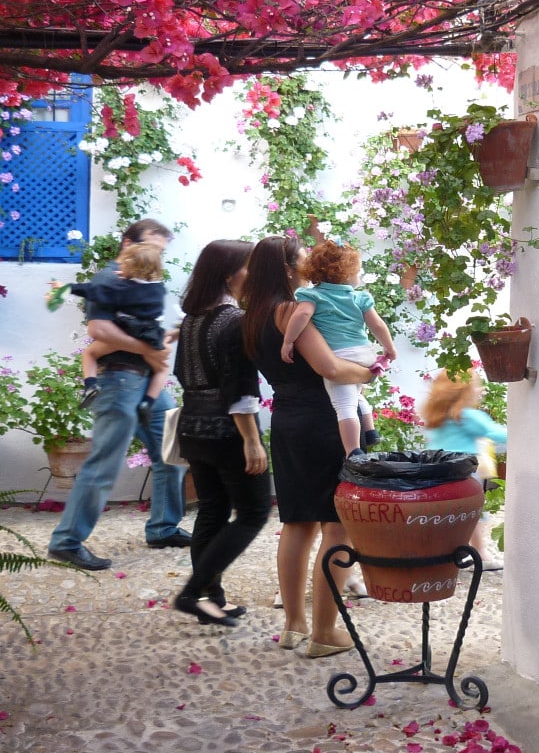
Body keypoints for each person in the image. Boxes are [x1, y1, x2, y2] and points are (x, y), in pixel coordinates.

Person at [243, 235, 375, 658]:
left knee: (297, 523)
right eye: (302, 258)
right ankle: (324, 632)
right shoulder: (291, 310)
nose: (309, 264)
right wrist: (370, 371)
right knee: (338, 525)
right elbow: (330, 366)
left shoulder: (253, 315)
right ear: (287, 268)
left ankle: (294, 626)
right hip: (325, 420)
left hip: (287, 419)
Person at [47, 219, 188, 570]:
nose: (157, 256)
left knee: (172, 448)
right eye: (152, 247)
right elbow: (98, 329)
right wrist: (147, 349)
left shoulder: (145, 280)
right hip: (119, 380)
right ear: (128, 242)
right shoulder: (111, 279)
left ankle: (163, 527)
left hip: (143, 379)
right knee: (105, 463)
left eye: (161, 250)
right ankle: (66, 542)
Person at [170, 239, 270, 627]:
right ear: (231, 275)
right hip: (228, 431)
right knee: (253, 513)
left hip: (193, 426)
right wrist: (251, 440)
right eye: (249, 267)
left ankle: (212, 600)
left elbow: (183, 374)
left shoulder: (193, 319)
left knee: (211, 510)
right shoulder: (235, 320)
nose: (254, 275)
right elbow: (241, 388)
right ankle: (193, 592)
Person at [279, 239, 398, 456]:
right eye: (358, 272)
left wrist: (288, 341)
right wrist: (389, 348)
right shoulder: (360, 297)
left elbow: (302, 315)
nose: (359, 276)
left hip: (340, 356)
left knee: (344, 406)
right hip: (364, 354)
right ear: (346, 273)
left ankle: (353, 450)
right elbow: (377, 325)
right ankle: (370, 431)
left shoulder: (313, 295)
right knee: (357, 393)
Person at [65, 240, 169, 421]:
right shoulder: (158, 288)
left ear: (132, 267)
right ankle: (148, 402)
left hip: (128, 329)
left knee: (90, 353)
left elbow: (96, 291)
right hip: (152, 334)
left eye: (124, 265)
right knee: (162, 369)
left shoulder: (125, 288)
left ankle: (90, 385)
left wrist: (69, 288)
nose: (120, 268)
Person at [420, 370, 507, 572]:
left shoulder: (436, 416)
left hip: (439, 472)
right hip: (464, 473)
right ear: (465, 392)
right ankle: (480, 554)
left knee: (448, 514)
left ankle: (447, 553)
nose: (479, 390)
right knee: (472, 512)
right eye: (476, 386)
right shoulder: (467, 416)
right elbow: (496, 433)